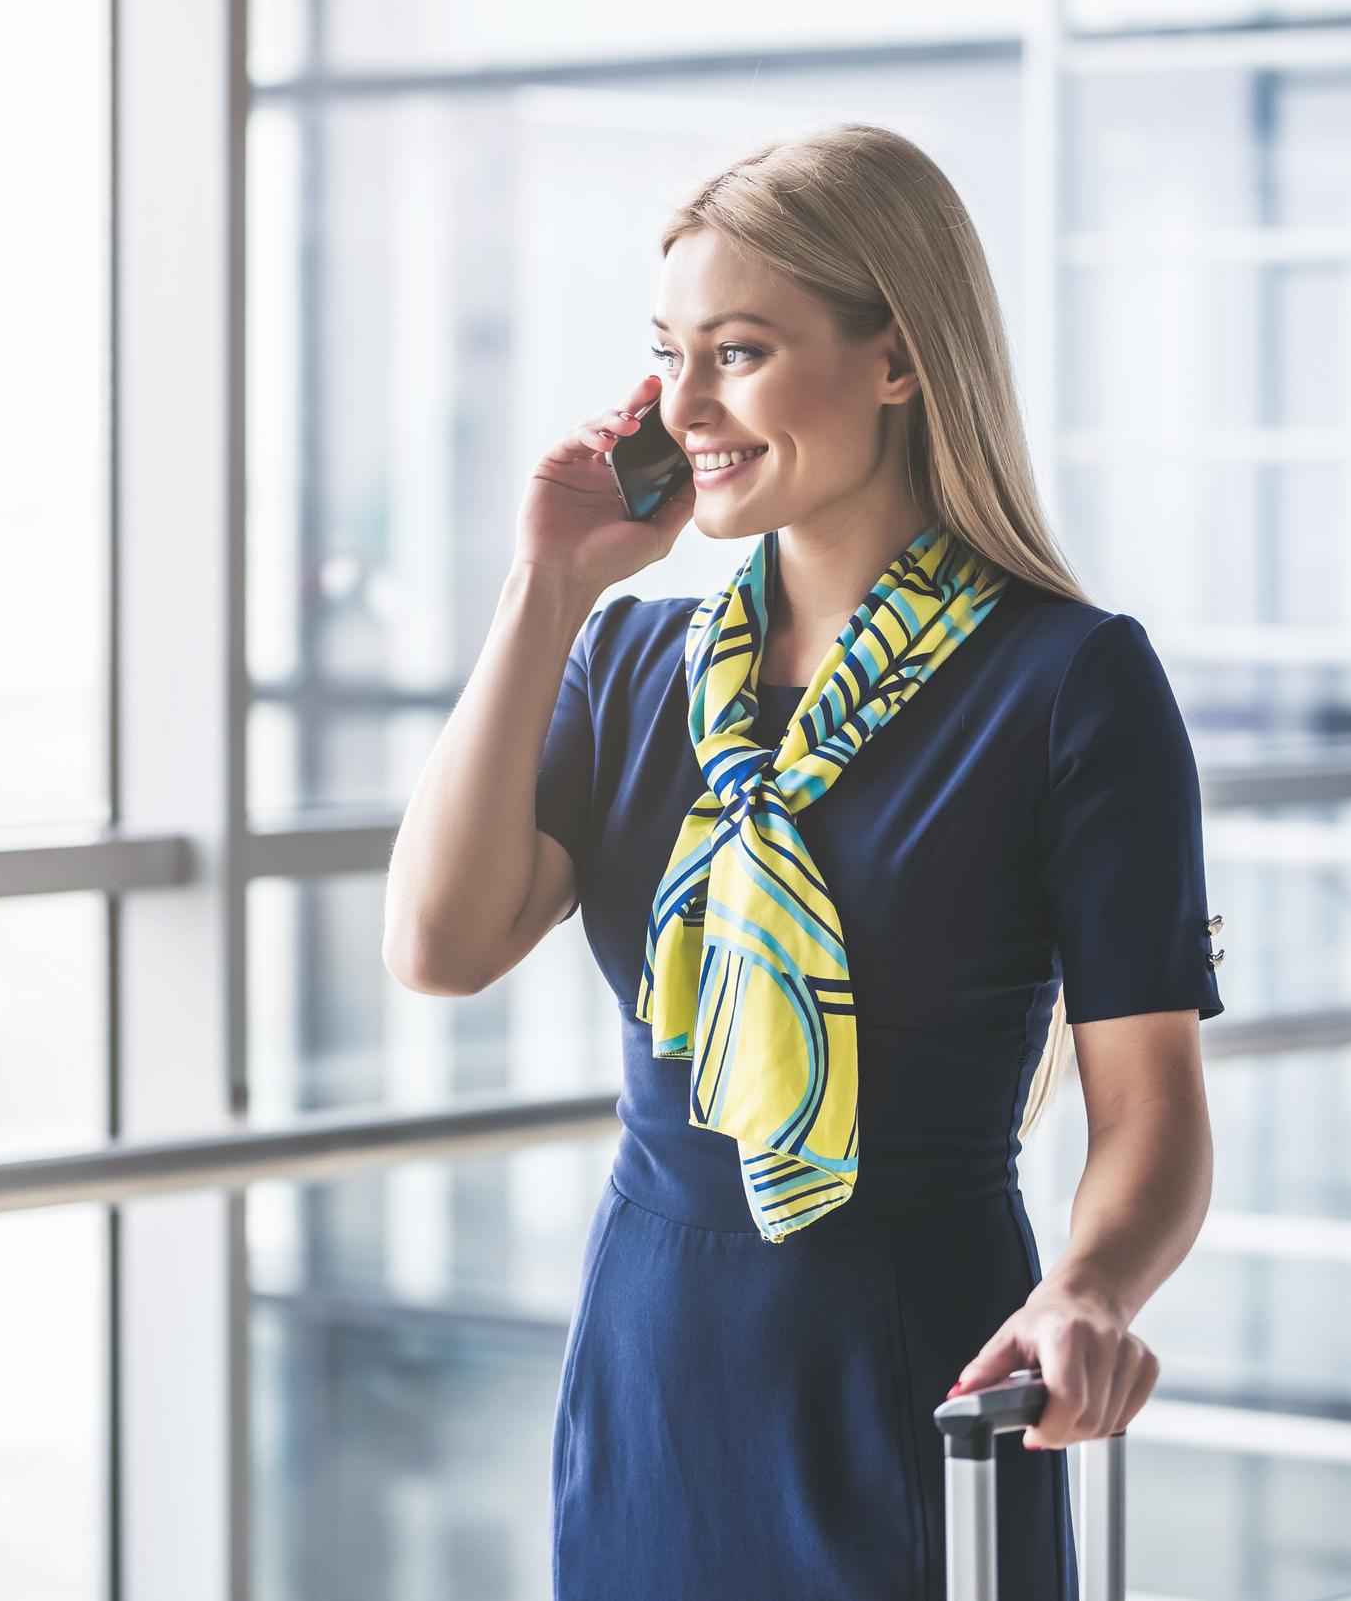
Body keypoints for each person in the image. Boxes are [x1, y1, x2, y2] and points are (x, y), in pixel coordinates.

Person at [380, 122, 1224, 1599]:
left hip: (918, 1375)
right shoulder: (631, 662)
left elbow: (1149, 1107)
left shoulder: (1071, 684)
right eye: (669, 354)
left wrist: (1085, 1289)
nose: (683, 404)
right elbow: (439, 945)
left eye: (741, 352)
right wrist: (547, 582)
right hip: (652, 1376)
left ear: (897, 359)